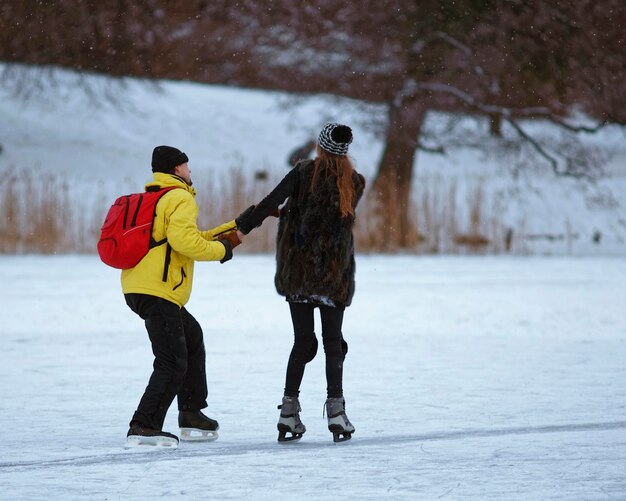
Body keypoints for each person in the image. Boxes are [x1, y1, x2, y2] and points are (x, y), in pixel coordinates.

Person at [237, 123, 365, 443]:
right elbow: (329, 216)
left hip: (298, 273)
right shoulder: (355, 182)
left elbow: (270, 203)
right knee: (333, 343)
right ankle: (336, 412)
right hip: (333, 275)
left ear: (320, 147)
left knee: (302, 342)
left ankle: (288, 412)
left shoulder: (302, 171)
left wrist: (240, 230)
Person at [122, 145, 244, 449]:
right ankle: (143, 425)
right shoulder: (180, 197)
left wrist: (234, 228)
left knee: (191, 338)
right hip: (158, 290)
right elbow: (184, 242)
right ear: (177, 169)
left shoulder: (155, 198)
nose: (191, 172)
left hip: (139, 286)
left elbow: (188, 238)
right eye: (187, 166)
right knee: (172, 361)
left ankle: (191, 412)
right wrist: (223, 251)